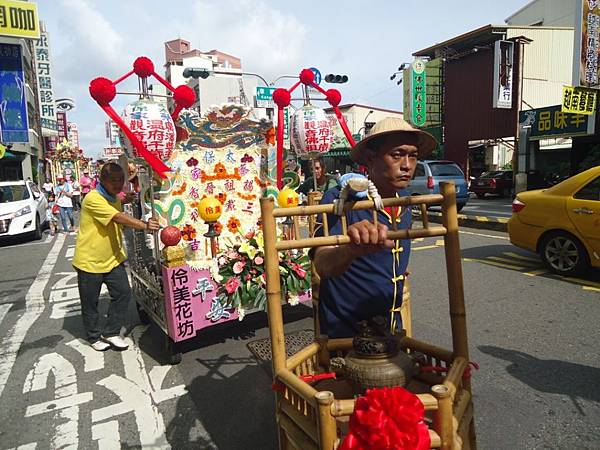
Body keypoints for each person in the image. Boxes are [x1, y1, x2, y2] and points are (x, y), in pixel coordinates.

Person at [311, 117, 437, 338]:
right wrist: (350, 250)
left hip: (390, 322)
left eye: (413, 156)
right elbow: (322, 264)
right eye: (397, 155)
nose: (407, 165)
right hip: (345, 327)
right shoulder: (340, 199)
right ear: (370, 159)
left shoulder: (405, 201)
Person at [72, 162, 160, 351]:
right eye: (114, 181)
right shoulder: (93, 199)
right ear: (101, 180)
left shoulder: (113, 196)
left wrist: (127, 198)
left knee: (123, 293)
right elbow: (117, 217)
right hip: (89, 261)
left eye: (121, 180)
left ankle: (111, 332)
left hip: (113, 258)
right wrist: (145, 225)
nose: (119, 184)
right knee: (90, 303)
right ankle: (94, 336)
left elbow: (119, 201)